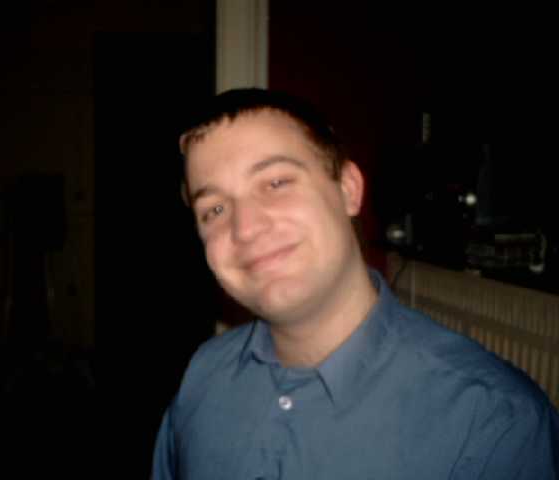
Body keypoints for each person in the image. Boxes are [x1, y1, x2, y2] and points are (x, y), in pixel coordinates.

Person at [152, 88, 558, 479]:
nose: (245, 228)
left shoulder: (495, 423)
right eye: (215, 209)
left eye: (275, 183)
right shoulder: (202, 377)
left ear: (348, 189)